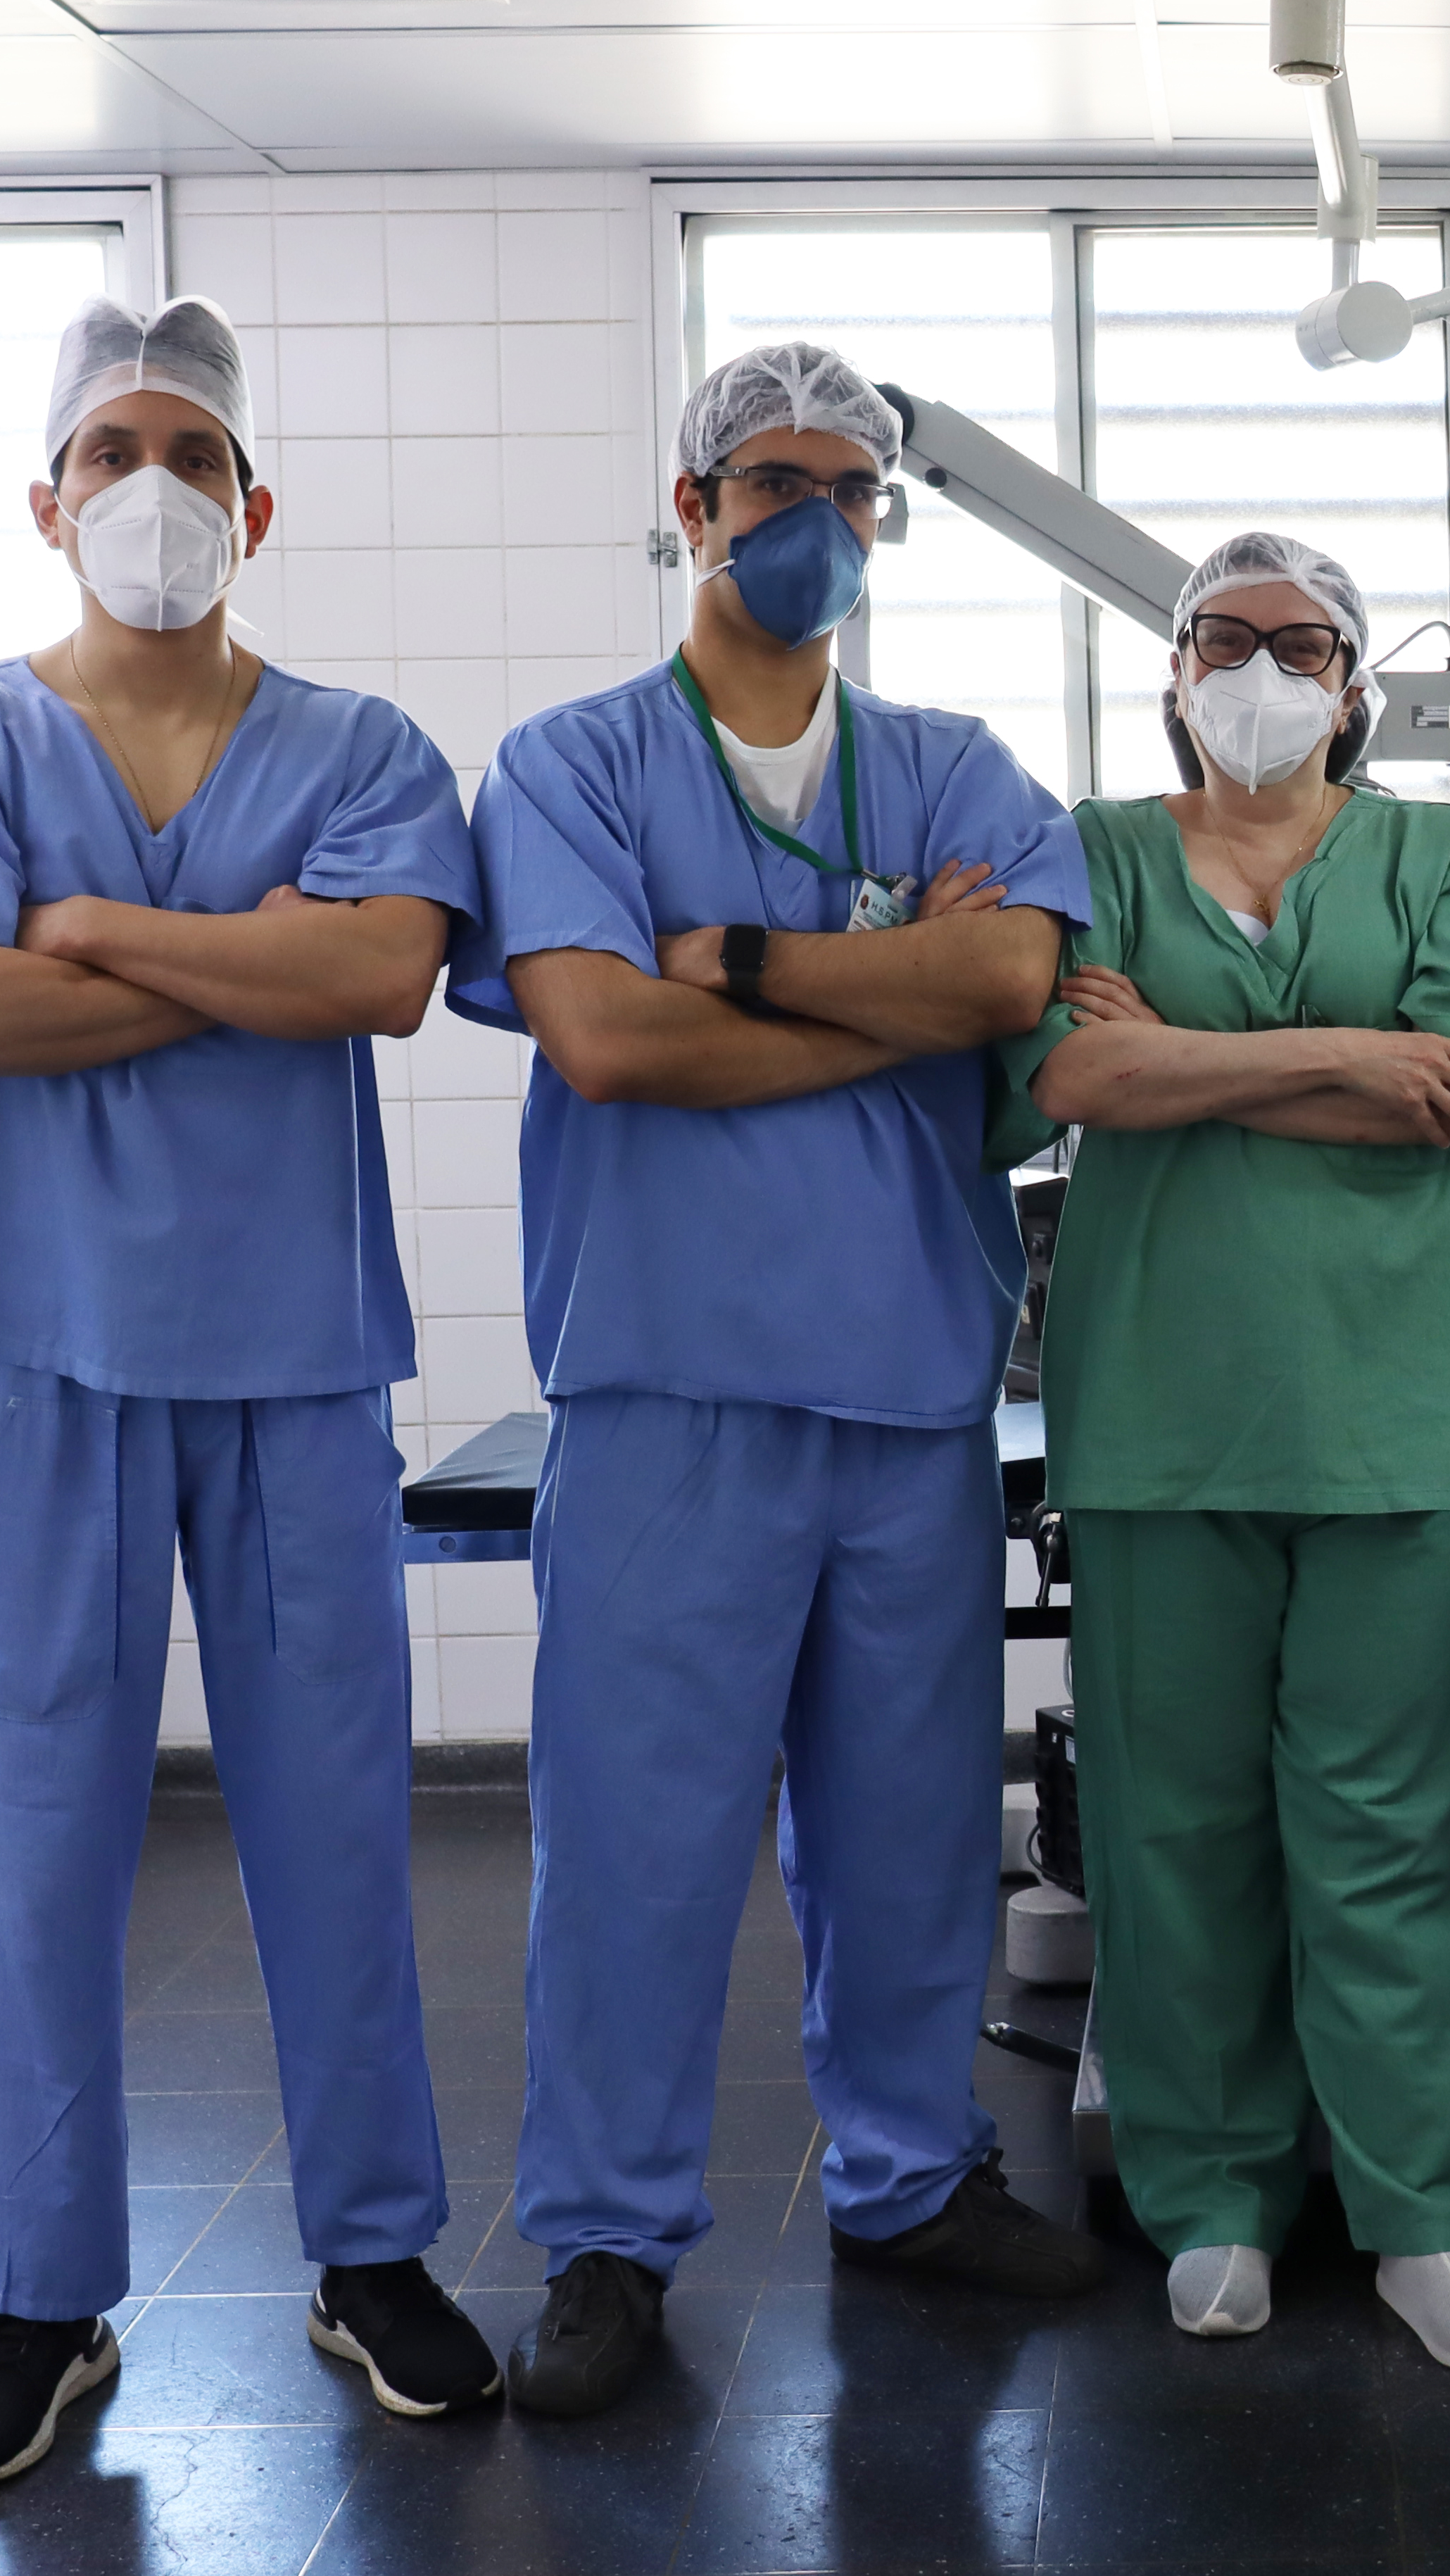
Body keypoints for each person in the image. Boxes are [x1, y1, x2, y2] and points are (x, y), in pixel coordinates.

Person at [0, 294, 493, 2482]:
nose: (151, 488)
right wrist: (240, 968)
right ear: (45, 499)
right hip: (36, 1345)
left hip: (290, 1347)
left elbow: (385, 971)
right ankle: (42, 2289)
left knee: (333, 1816)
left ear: (254, 504)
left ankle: (371, 2249)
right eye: (110, 448)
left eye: (191, 455)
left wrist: (89, 932)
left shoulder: (366, 742)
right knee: (35, 1826)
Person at [450, 341, 1103, 2418]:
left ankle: (910, 2180)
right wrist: (884, 994)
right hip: (666, 1382)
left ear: (885, 517)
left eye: (849, 482)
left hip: (908, 1389)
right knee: (637, 1842)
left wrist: (722, 959)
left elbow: (1010, 980)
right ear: (694, 499)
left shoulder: (958, 766)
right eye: (771, 478)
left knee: (911, 1833)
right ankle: (609, 2240)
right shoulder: (567, 767)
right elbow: (606, 1045)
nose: (812, 514)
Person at [1007, 531, 1450, 2373]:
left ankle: (1417, 2208)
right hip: (1159, 1419)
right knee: (1174, 1835)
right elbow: (1067, 1079)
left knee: (1387, 1832)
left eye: (1302, 643)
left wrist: (1186, 1049)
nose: (1260, 669)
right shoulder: (1085, 852)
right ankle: (1213, 2202)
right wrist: (1349, 1057)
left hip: (1388, 1420)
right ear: (1171, 670)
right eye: (1222, 637)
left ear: (1356, 686)